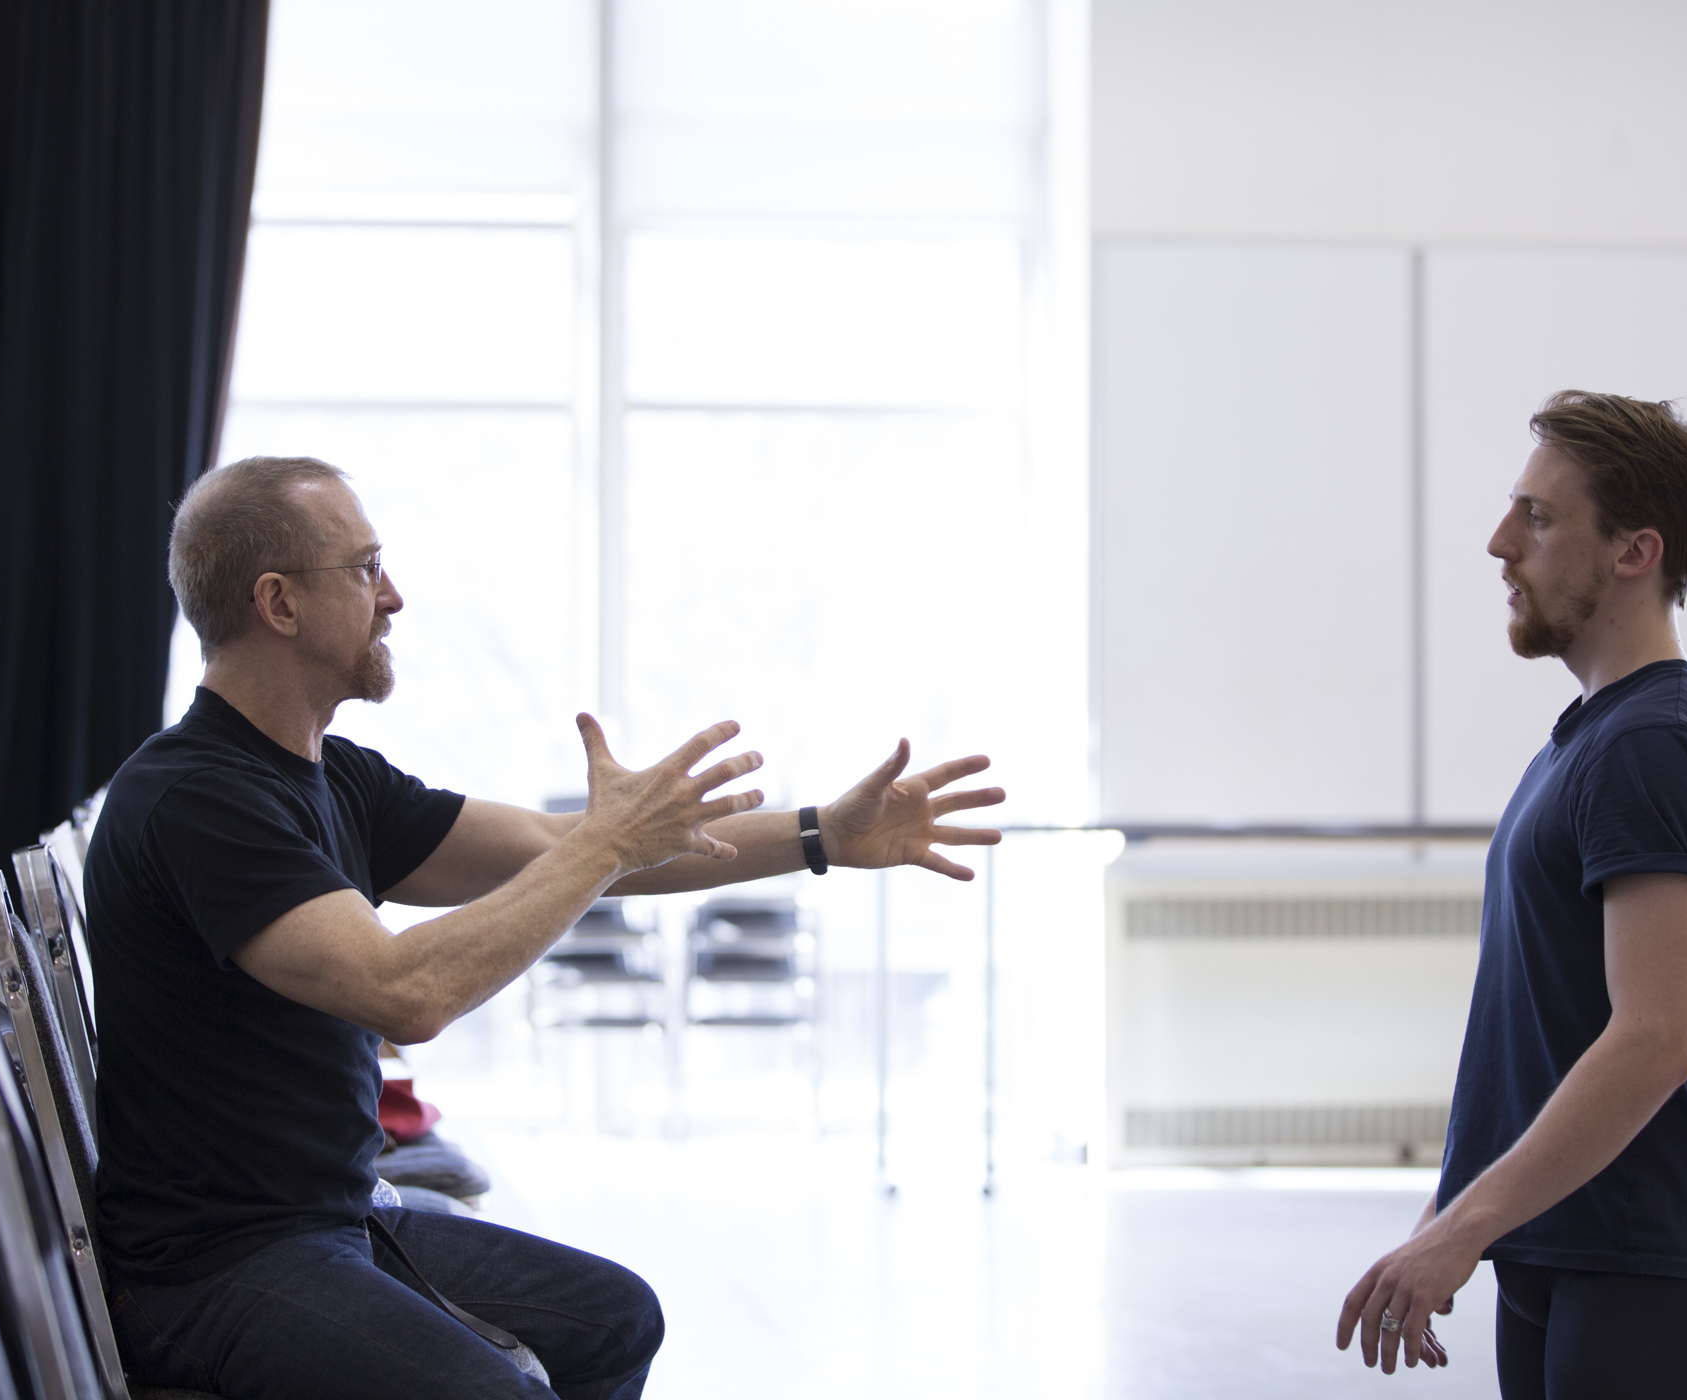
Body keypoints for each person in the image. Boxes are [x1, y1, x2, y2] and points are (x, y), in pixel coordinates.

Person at [85, 454, 1005, 1398]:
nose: (393, 596)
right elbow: (405, 990)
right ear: (278, 603)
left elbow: (549, 841)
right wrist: (604, 845)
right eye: (364, 570)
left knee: (613, 1319)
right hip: (215, 1269)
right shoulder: (198, 797)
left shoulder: (332, 776)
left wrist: (824, 835)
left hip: (333, 1221)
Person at [1336, 392, 1687, 1399]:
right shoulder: (1598, 732)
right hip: (1567, 1241)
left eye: (1537, 515)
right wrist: (1460, 1219)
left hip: (1638, 1253)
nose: (1499, 542)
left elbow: (1657, 1035)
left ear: (1633, 551)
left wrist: (1467, 1225)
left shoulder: (1654, 743)